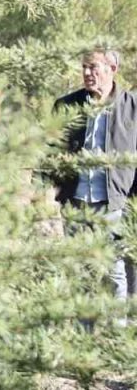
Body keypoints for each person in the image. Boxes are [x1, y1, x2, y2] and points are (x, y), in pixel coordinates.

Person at [53, 48, 137, 304]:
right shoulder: (66, 106)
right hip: (75, 203)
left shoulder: (132, 108)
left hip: (113, 205)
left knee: (114, 273)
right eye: (85, 68)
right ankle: (82, 337)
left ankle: (115, 335)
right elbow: (52, 150)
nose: (88, 73)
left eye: (94, 67)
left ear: (113, 69)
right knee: (80, 272)